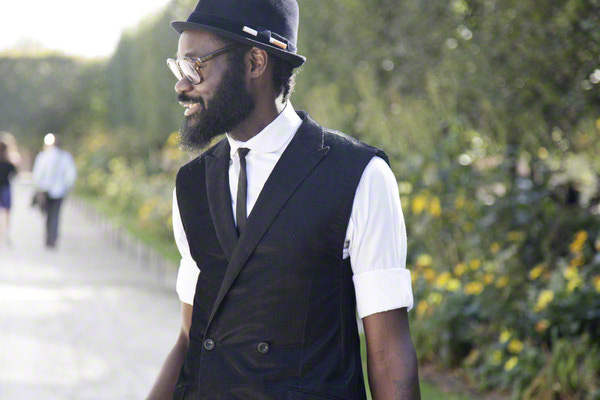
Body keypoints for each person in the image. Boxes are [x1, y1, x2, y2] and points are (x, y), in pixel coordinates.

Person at [148, 0, 420, 399]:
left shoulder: (359, 175)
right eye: (179, 68)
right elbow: (191, 337)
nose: (181, 85)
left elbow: (389, 353)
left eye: (195, 66)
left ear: (255, 62)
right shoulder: (190, 184)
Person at [32, 133, 77, 248]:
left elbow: (37, 175)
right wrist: (67, 187)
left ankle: (49, 237)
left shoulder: (43, 156)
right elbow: (71, 176)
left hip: (45, 190)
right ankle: (53, 238)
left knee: (48, 215)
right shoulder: (65, 157)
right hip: (59, 191)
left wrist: (39, 186)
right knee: (55, 215)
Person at [0, 140, 17, 246]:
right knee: (7, 212)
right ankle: (6, 231)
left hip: (5, 188)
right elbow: (14, 174)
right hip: (5, 188)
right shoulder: (8, 162)